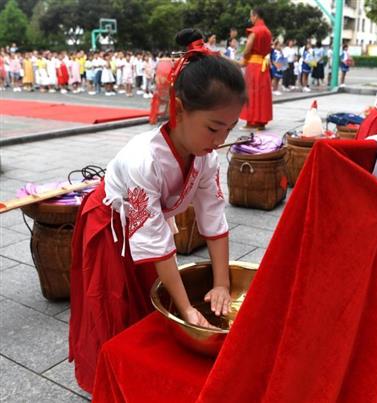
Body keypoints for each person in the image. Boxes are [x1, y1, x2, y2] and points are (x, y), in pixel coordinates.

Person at [69, 27, 247, 393]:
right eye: (213, 128)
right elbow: (154, 241)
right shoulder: (143, 161)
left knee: (148, 299)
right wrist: (186, 311)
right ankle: (108, 380)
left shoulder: (205, 157)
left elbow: (213, 217)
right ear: (180, 110)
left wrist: (222, 283)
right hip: (110, 226)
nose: (220, 141)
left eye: (229, 129)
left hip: (145, 226)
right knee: (113, 305)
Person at [240, 7, 273, 130]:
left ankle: (251, 122)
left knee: (251, 92)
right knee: (262, 93)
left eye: (251, 16)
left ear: (255, 16)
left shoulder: (254, 31)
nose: (251, 19)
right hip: (263, 65)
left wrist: (244, 55)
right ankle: (261, 122)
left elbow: (248, 48)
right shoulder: (268, 32)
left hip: (253, 65)